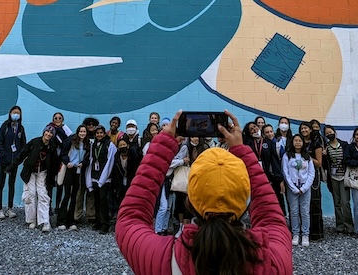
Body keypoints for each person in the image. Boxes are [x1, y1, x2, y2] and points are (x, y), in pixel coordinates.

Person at [116, 110, 293, 275]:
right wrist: (242, 151)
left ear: (190, 201)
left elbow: (130, 219)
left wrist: (162, 146)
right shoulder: (272, 261)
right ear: (245, 201)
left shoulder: (164, 259)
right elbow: (272, 218)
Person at [19, 124, 58, 232]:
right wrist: (12, 166)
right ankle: (32, 220)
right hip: (30, 172)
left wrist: (53, 178)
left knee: (43, 195)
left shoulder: (52, 147)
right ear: (44, 132)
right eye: (47, 131)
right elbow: (23, 154)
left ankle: (45, 221)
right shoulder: (34, 142)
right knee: (30, 194)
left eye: (51, 133)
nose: (48, 134)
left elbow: (54, 163)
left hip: (42, 173)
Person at [0, 105, 26, 219]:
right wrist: (4, 155)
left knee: (11, 184)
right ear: (10, 113)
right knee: (1, 184)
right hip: (4, 161)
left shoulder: (21, 128)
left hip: (14, 163)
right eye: (14, 112)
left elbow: (23, 145)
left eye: (18, 113)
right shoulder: (5, 126)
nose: (16, 114)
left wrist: (18, 159)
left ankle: (10, 208)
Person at [282, 134, 314, 247]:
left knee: (305, 212)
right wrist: (293, 188)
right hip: (293, 188)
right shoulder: (287, 156)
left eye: (300, 140)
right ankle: (295, 234)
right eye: (295, 140)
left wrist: (304, 187)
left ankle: (305, 234)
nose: (298, 142)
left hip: (305, 188)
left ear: (303, 143)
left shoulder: (307, 156)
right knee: (294, 212)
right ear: (292, 142)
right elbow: (285, 172)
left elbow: (311, 173)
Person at [322, 125, 354, 235]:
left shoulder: (344, 145)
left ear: (334, 132)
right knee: (337, 202)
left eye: (330, 132)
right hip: (333, 177)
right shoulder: (326, 147)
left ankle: (349, 225)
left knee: (345, 202)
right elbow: (325, 165)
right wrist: (324, 156)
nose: (329, 134)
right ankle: (339, 225)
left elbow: (348, 158)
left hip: (344, 176)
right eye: (327, 133)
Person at [86, 125, 116, 233]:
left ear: (104, 134)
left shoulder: (109, 145)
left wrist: (103, 178)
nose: (99, 135)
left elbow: (110, 162)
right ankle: (98, 221)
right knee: (97, 200)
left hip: (104, 178)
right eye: (97, 133)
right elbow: (91, 160)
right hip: (95, 176)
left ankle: (105, 224)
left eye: (101, 133)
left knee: (103, 201)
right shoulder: (93, 144)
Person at [57, 124, 88, 230]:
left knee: (74, 196)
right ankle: (61, 221)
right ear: (78, 132)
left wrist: (83, 163)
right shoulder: (71, 141)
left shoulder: (87, 144)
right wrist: (67, 162)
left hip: (78, 171)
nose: (82, 133)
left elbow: (87, 158)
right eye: (81, 131)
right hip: (69, 170)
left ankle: (71, 221)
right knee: (67, 195)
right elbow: (63, 154)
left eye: (84, 131)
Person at [299, 121, 324, 241]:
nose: (304, 130)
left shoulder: (316, 143)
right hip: (300, 176)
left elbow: (319, 163)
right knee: (303, 205)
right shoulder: (298, 142)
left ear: (310, 130)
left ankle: (316, 233)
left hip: (313, 177)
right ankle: (304, 231)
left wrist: (307, 157)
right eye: (302, 128)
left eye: (306, 128)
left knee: (314, 203)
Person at [76, 116, 100, 224]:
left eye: (93, 125)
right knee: (80, 191)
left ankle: (91, 215)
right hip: (82, 167)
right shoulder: (80, 138)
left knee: (91, 191)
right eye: (88, 124)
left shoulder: (98, 138)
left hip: (93, 168)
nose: (91, 126)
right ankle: (77, 215)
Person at [111, 136, 143, 218]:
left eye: (124, 145)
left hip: (132, 183)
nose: (122, 147)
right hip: (120, 184)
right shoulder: (117, 157)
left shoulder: (135, 156)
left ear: (128, 145)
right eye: (120, 145)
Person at [260, 123, 286, 215]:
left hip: (277, 177)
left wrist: (281, 179)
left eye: (271, 131)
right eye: (267, 132)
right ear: (263, 134)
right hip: (266, 178)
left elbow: (282, 163)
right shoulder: (262, 146)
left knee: (279, 201)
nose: (270, 134)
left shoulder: (278, 145)